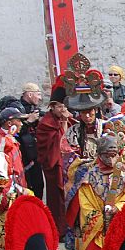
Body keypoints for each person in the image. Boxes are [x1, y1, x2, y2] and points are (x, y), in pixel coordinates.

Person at [36, 88, 70, 235]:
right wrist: (63, 123)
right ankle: (58, 229)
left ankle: (67, 227)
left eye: (64, 107)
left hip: (65, 162)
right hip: (54, 164)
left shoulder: (62, 118)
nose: (62, 110)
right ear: (52, 106)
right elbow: (55, 141)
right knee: (56, 197)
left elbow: (67, 138)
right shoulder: (46, 123)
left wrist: (65, 121)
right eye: (59, 107)